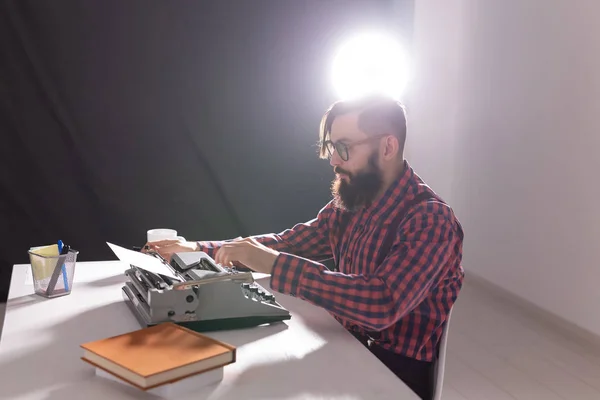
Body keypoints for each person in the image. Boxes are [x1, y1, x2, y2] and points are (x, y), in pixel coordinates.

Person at [144, 94, 464, 400]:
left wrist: (274, 264)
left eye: (344, 147)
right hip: (342, 346)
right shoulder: (354, 200)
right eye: (331, 147)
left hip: (393, 376)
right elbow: (290, 242)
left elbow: (382, 303)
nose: (334, 160)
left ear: (388, 146)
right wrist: (194, 248)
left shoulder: (431, 219)